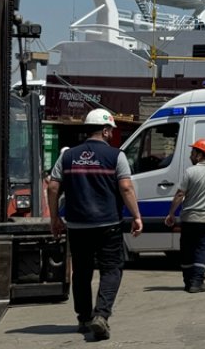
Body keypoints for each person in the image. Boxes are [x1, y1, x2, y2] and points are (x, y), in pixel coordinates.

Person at [47, 108, 143, 340]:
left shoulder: (67, 156)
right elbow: (126, 187)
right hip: (108, 224)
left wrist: (54, 218)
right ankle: (101, 315)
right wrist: (137, 216)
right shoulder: (116, 156)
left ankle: (83, 318)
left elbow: (52, 186)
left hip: (77, 225)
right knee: (111, 269)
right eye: (111, 129)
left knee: (81, 272)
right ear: (106, 130)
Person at [163, 139, 205, 293]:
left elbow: (180, 194)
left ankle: (189, 282)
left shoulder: (190, 172)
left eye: (193, 152)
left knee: (187, 249)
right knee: (201, 250)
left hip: (189, 218)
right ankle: (197, 282)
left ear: (200, 155)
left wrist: (171, 213)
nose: (190, 155)